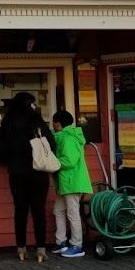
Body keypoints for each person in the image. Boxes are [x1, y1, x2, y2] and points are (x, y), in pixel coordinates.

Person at [0, 92, 55, 262]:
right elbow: (51, 144)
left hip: (16, 172)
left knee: (20, 210)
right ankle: (41, 249)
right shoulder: (36, 120)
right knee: (39, 211)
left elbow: (2, 150)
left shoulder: (8, 121)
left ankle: (21, 248)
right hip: (37, 172)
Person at [51, 110, 93, 258]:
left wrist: (52, 163)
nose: (52, 125)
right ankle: (61, 241)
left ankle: (77, 245)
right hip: (69, 181)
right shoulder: (68, 136)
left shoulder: (68, 139)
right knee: (59, 210)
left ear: (58, 123)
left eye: (54, 122)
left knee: (72, 212)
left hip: (72, 181)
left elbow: (69, 161)